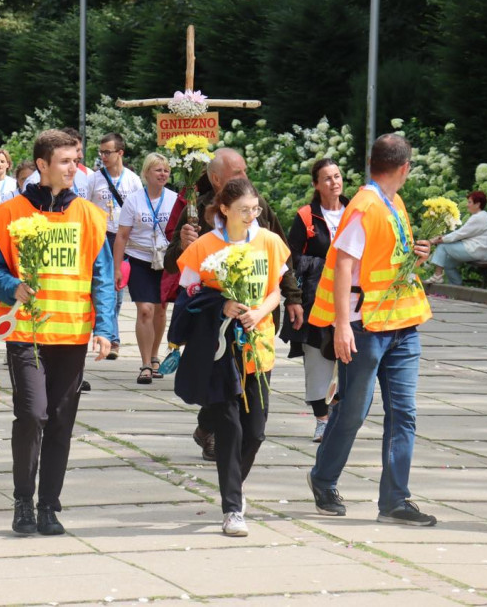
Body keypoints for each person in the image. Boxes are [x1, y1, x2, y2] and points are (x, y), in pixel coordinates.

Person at [0, 128, 116, 536]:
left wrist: (106, 329)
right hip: (27, 333)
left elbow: (103, 279)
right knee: (31, 414)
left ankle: (48, 506)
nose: (74, 167)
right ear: (42, 165)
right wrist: (10, 287)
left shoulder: (91, 216)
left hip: (72, 336)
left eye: (76, 160)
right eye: (65, 161)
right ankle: (23, 499)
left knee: (59, 421)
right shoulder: (9, 213)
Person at [306, 133, 437, 526]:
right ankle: (323, 478)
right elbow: (344, 262)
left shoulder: (393, 202)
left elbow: (385, 255)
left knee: (404, 413)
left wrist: (416, 252)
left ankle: (395, 500)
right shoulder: (365, 205)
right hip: (366, 326)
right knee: (353, 412)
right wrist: (342, 324)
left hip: (402, 324)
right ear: (404, 168)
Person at [163, 147, 303, 461]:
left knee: (249, 393)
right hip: (214, 321)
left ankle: (213, 431)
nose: (244, 177)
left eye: (243, 170)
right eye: (236, 173)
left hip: (255, 321)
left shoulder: (258, 206)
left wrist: (292, 298)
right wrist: (183, 245)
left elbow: (282, 255)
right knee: (220, 384)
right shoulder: (193, 211)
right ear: (215, 179)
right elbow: (173, 265)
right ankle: (213, 431)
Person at [176, 178, 290, 536]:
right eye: (244, 210)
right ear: (224, 210)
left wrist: (259, 313)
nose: (252, 215)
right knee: (231, 429)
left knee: (255, 432)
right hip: (221, 352)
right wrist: (220, 305)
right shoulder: (205, 247)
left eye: (255, 209)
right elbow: (186, 300)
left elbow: (276, 290)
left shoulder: (269, 242)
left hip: (259, 348)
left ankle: (234, 488)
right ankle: (232, 508)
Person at [281, 158, 349, 442]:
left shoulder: (355, 212)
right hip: (313, 300)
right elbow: (291, 259)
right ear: (316, 185)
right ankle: (322, 419)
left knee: (349, 361)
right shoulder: (307, 216)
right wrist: (293, 298)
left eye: (337, 176)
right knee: (317, 358)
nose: (334, 182)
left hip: (350, 300)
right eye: (328, 178)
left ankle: (337, 409)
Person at [112, 153, 175, 383]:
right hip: (140, 259)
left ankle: (156, 354)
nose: (162, 174)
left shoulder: (174, 199)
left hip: (165, 262)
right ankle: (146, 363)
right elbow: (122, 236)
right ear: (147, 173)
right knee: (145, 310)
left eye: (166, 170)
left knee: (160, 310)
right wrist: (117, 267)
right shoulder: (134, 200)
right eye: (158, 170)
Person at [88, 133, 143, 360]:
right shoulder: (94, 179)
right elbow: (87, 207)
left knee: (118, 291)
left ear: (120, 153)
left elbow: (140, 210)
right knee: (104, 287)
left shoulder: (132, 180)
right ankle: (112, 338)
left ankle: (111, 333)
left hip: (124, 239)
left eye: (107, 152)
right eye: (101, 152)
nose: (103, 156)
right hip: (101, 237)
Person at [425, 191, 487, 285]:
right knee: (448, 264)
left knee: (443, 246)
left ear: (478, 204)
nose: (467, 205)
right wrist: (443, 238)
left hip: (477, 250)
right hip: (478, 250)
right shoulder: (481, 216)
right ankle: (456, 287)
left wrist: (440, 240)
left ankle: (437, 276)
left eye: (470, 202)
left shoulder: (479, 217)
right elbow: (462, 234)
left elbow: (460, 234)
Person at [22, 128, 90, 199]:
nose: (81, 155)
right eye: (65, 161)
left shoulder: (82, 176)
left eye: (73, 160)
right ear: (42, 165)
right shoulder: (32, 181)